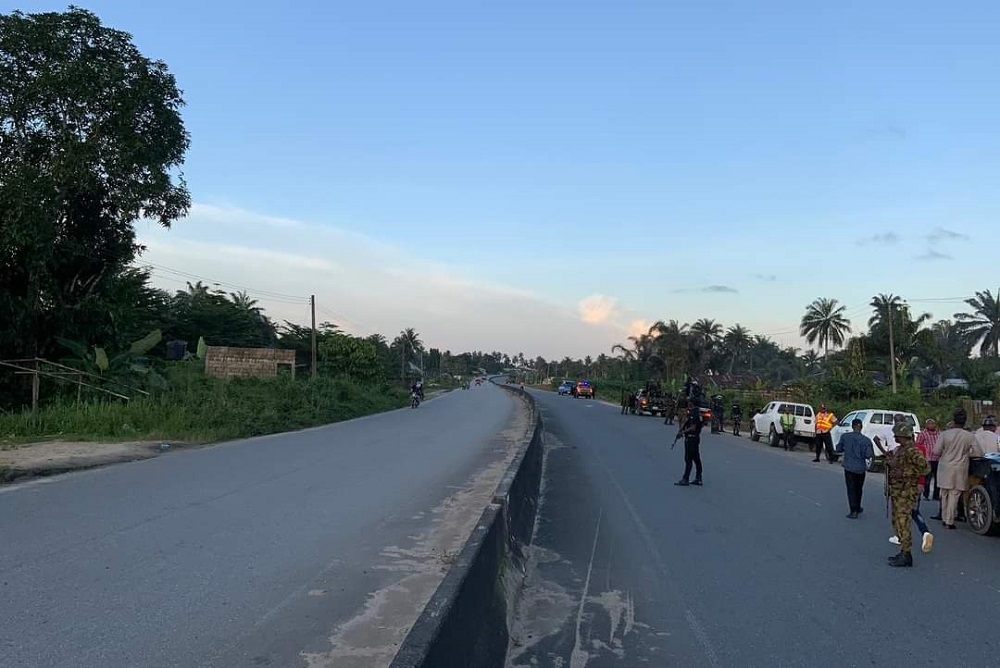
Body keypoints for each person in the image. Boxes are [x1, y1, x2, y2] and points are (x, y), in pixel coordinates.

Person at [885, 424, 931, 567]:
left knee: (903, 522)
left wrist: (903, 474)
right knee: (898, 522)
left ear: (903, 436)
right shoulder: (903, 450)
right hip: (898, 491)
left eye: (897, 435)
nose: (895, 437)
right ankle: (903, 551)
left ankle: (906, 554)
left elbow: (926, 468)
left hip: (906, 492)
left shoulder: (912, 451)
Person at [933, 409, 979, 530]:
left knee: (944, 493)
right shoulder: (969, 436)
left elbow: (936, 451)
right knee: (955, 494)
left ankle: (944, 518)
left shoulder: (944, 434)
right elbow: (978, 452)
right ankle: (950, 520)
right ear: (964, 422)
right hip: (960, 467)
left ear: (954, 421)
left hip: (944, 466)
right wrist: (966, 454)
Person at [836, 418, 874, 518]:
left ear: (852, 427)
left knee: (851, 489)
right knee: (859, 488)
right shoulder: (866, 440)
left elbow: (838, 448)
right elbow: (868, 455)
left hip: (849, 467)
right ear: (861, 427)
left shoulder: (845, 437)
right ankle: (858, 507)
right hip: (861, 468)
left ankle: (853, 510)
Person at [674, 406, 705, 487]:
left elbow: (693, 427)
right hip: (695, 438)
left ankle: (685, 479)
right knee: (696, 458)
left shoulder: (694, 414)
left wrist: (683, 432)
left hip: (691, 439)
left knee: (688, 459)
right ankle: (698, 478)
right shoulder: (698, 413)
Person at [915, 418, 941, 501]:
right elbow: (918, 444)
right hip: (928, 458)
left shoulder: (939, 433)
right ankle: (926, 495)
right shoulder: (923, 434)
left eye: (932, 423)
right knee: (927, 478)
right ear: (926, 425)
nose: (931, 425)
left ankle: (936, 495)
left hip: (937, 459)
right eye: (929, 424)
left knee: (938, 479)